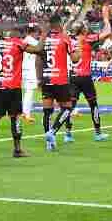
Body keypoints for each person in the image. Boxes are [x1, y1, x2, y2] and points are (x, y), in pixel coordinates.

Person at [0, 24, 43, 159]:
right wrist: (44, 35)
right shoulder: (18, 43)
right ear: (16, 34)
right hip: (13, 87)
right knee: (15, 118)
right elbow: (38, 49)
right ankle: (17, 149)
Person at [66, 5, 112, 143]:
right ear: (83, 30)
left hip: (73, 77)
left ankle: (68, 134)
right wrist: (105, 17)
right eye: (85, 26)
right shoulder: (87, 39)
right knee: (93, 105)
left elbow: (64, 30)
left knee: (70, 106)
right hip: (85, 78)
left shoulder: (70, 39)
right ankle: (98, 133)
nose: (87, 28)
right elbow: (108, 32)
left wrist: (71, 17)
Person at [41, 13, 80, 151]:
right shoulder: (65, 38)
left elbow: (39, 58)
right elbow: (75, 59)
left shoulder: (44, 39)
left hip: (46, 78)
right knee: (67, 108)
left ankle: (48, 143)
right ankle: (53, 132)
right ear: (59, 24)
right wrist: (78, 47)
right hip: (60, 79)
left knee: (47, 112)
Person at [21, 25, 40, 123]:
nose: (38, 35)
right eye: (37, 32)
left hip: (26, 68)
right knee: (29, 91)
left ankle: (25, 111)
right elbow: (40, 47)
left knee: (28, 91)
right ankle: (26, 113)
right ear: (33, 32)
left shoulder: (26, 40)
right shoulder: (30, 40)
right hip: (30, 69)